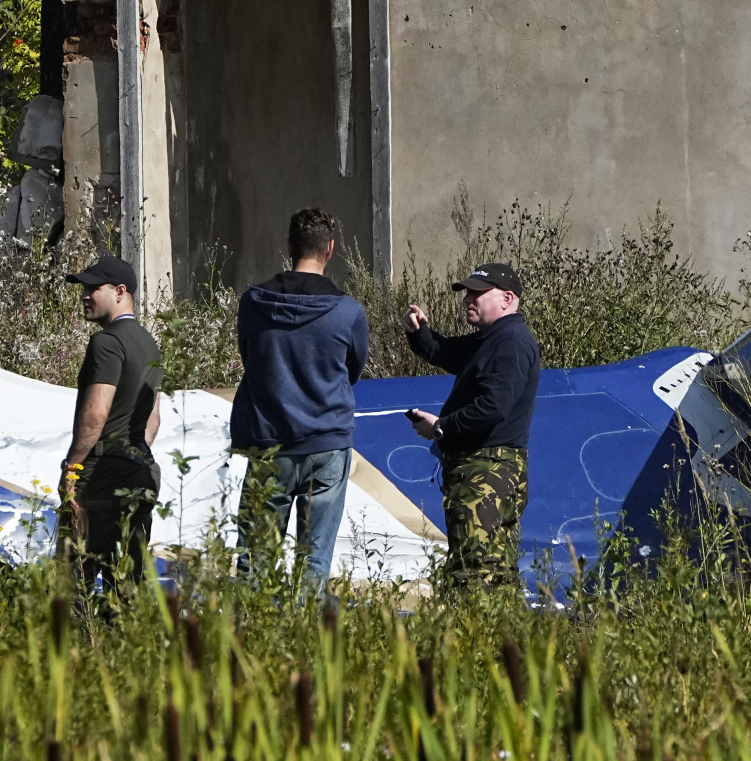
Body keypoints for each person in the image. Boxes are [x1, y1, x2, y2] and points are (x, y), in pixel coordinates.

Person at [229, 208, 371, 588]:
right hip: (326, 440)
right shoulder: (348, 312)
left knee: (255, 562)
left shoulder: (253, 302)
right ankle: (306, 641)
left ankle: (247, 640)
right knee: (314, 562)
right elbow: (351, 371)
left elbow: (250, 358)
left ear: (289, 247)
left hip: (268, 440)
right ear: (330, 249)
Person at [401, 263, 541, 593]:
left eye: (478, 292)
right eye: (466, 292)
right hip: (484, 471)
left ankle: (476, 640)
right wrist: (418, 332)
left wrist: (442, 427)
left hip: (487, 473)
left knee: (475, 575)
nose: (468, 298)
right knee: (493, 571)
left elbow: (493, 407)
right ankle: (502, 639)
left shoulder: (509, 342)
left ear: (507, 299)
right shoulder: (490, 340)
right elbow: (444, 352)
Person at [59, 254, 164, 603]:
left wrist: (72, 468)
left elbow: (96, 412)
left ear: (120, 291)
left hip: (101, 474)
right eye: (83, 288)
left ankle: (71, 652)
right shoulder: (149, 343)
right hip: (140, 470)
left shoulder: (106, 342)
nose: (85, 295)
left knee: (73, 582)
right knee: (126, 587)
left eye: (94, 288)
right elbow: (153, 420)